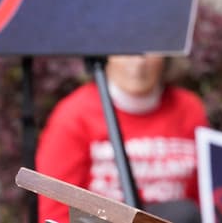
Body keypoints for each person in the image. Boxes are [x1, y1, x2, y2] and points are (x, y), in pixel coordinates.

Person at [36, 54, 208, 223]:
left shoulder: (188, 109)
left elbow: (206, 197)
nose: (138, 62)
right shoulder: (75, 115)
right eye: (126, 51)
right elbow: (56, 210)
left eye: (149, 50)